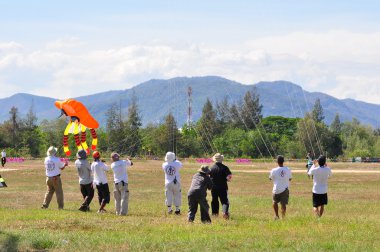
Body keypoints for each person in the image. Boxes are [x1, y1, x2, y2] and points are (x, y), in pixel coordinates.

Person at [209, 153, 232, 219]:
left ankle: (214, 214)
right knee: (224, 201)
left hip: (213, 187)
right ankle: (225, 212)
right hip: (223, 187)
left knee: (214, 200)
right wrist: (227, 179)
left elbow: (209, 176)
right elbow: (229, 177)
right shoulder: (225, 167)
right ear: (221, 159)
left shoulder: (211, 168)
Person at [269, 155, 292, 220]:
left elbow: (270, 178)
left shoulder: (273, 170)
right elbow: (290, 179)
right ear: (283, 161)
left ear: (277, 161)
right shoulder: (288, 169)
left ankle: (276, 216)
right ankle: (283, 217)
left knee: (274, 202)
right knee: (283, 204)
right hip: (285, 189)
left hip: (276, 189)